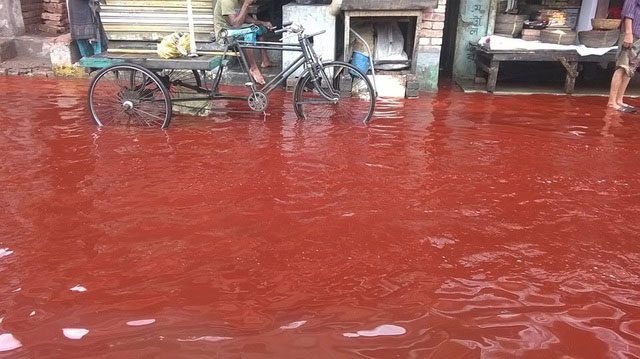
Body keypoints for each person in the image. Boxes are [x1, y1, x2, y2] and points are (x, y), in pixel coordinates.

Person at [214, 0, 274, 85]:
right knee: (250, 33)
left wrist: (262, 23)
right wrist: (246, 4)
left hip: (233, 29)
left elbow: (244, 18)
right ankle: (253, 68)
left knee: (259, 29)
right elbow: (236, 24)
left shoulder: (239, 1)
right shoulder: (227, 1)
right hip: (225, 34)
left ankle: (265, 60)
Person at [608, 0, 640, 112]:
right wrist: (628, 33)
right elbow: (628, 14)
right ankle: (612, 102)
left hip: (639, 36)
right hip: (632, 34)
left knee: (630, 69)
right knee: (622, 66)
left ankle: (619, 100)